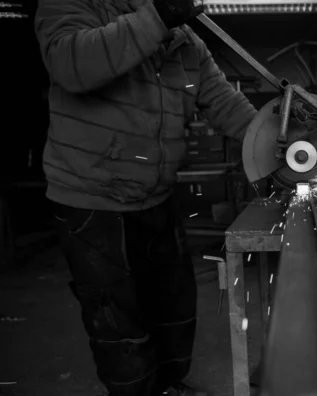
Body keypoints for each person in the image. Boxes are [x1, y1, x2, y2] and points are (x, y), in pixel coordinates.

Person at [34, 0, 257, 395]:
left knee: (174, 308)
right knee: (118, 322)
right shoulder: (74, 4)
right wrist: (155, 17)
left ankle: (168, 385)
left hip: (156, 197)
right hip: (92, 201)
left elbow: (224, 103)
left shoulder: (184, 42)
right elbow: (70, 66)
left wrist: (276, 139)